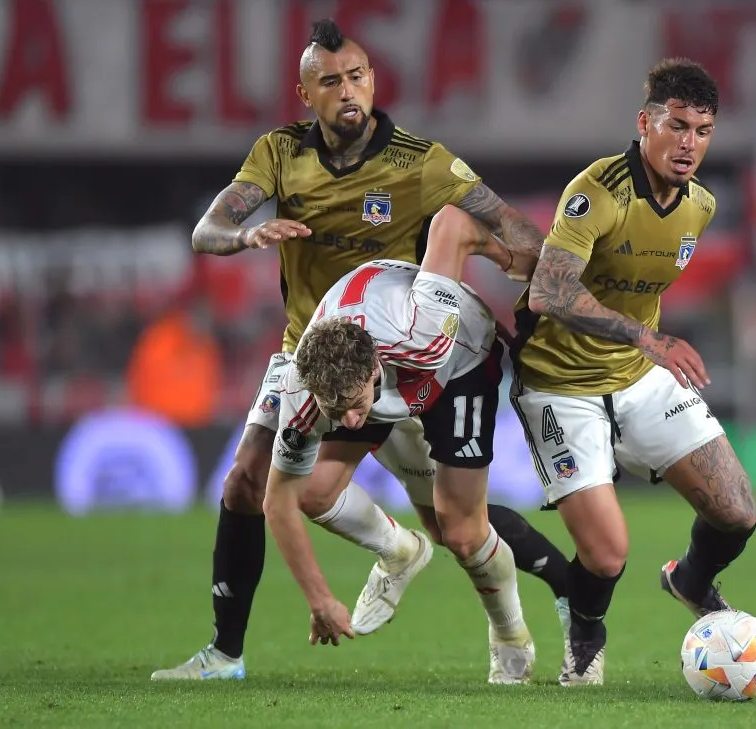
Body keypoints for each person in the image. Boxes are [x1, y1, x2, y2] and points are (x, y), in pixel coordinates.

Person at [152, 18, 569, 681]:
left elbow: (503, 222)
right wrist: (247, 238)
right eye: (329, 82)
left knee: (457, 525)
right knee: (248, 481)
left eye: (356, 76)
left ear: (372, 80)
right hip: (311, 355)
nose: (347, 91)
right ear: (304, 93)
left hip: (398, 356)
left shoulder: (419, 161)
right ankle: (226, 653)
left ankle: (549, 589)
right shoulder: (280, 152)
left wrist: (544, 272)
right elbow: (209, 229)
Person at [509, 58, 756, 686]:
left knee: (737, 511)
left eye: (702, 131)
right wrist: (649, 337)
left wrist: (645, 346)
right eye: (676, 126)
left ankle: (690, 579)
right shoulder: (596, 191)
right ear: (645, 122)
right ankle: (586, 632)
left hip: (636, 375)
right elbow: (549, 293)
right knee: (607, 554)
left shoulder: (699, 207)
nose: (688, 144)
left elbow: (639, 285)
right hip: (560, 384)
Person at [266, 205, 534, 683]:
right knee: (313, 491)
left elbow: (451, 221)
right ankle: (396, 550)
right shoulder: (304, 386)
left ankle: (509, 634)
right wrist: (321, 599)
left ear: (374, 373)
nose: (348, 421)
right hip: (382, 366)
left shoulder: (425, 337)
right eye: (335, 410)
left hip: (463, 368)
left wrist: (509, 258)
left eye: (353, 404)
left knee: (460, 531)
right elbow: (278, 501)